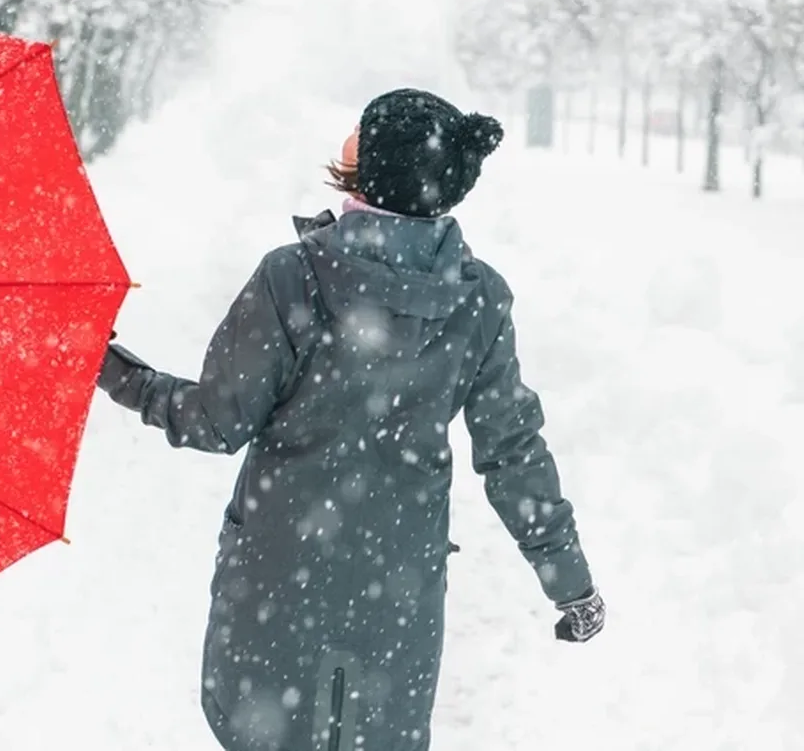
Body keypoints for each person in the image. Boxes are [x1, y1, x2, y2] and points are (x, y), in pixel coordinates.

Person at [96, 88, 604, 751]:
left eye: (361, 133)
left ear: (375, 167)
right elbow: (512, 450)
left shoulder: (294, 277)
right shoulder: (479, 300)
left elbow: (216, 424)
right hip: (395, 595)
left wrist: (111, 369)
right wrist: (571, 580)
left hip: (278, 579)